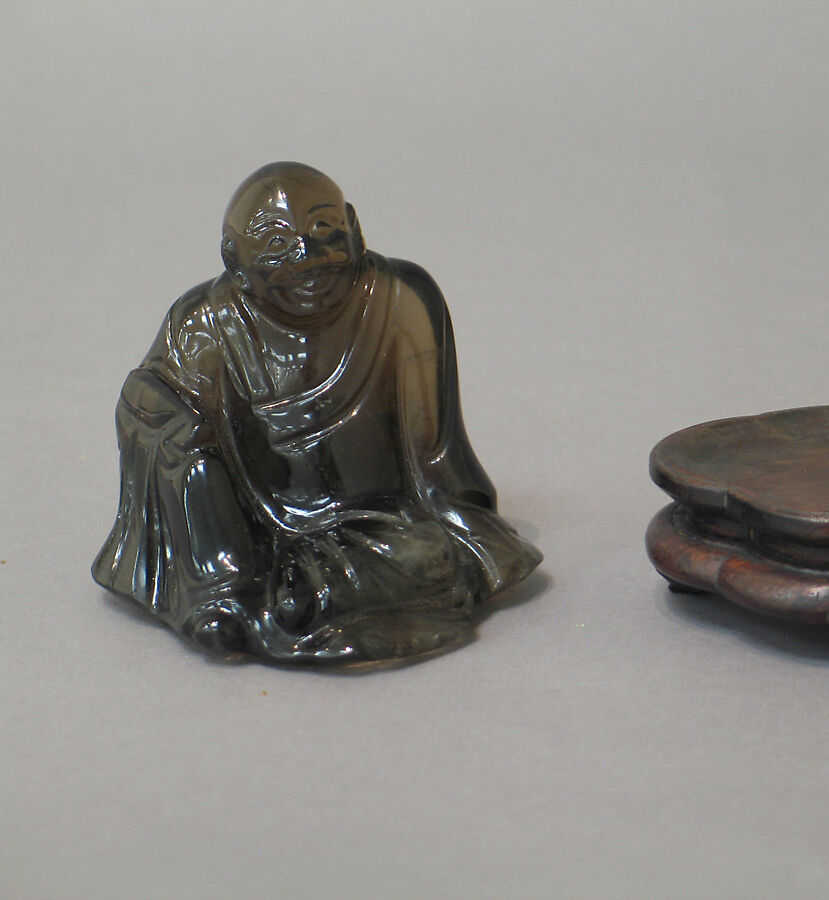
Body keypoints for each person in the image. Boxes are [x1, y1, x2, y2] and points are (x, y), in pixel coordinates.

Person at [93, 162, 541, 662]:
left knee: (430, 558)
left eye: (326, 230)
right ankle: (227, 594)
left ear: (354, 227)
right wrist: (177, 426)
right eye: (276, 243)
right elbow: (151, 401)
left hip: (382, 524)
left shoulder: (400, 298)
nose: (308, 258)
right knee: (183, 445)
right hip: (256, 531)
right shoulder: (206, 323)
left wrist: (461, 523)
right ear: (234, 260)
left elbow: (433, 453)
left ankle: (289, 601)